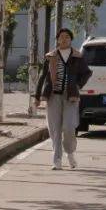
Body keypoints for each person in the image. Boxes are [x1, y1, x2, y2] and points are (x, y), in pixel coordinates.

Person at [35, 28, 92, 169]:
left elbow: (87, 73)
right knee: (54, 129)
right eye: (61, 37)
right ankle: (57, 160)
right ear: (58, 39)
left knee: (68, 127)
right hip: (53, 96)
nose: (64, 39)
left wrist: (78, 84)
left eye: (67, 37)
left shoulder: (77, 56)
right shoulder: (50, 56)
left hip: (71, 97)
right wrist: (37, 96)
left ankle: (70, 152)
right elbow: (42, 77)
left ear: (71, 40)